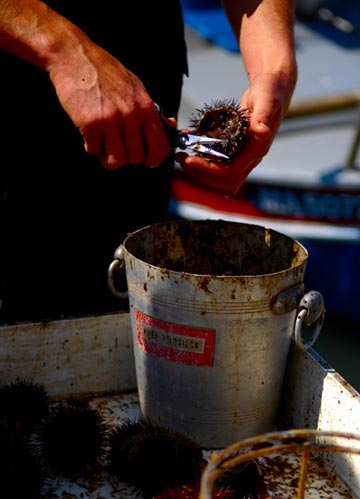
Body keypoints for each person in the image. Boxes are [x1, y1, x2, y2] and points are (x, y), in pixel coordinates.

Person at [0, 0, 297, 322]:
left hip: (142, 92)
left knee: (107, 301)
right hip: (15, 82)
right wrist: (65, 51)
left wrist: (274, 67)